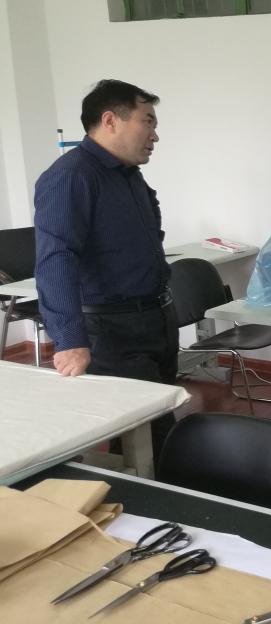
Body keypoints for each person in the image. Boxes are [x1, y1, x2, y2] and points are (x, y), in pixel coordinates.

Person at [35, 79, 178, 457]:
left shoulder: (128, 174)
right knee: (152, 436)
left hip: (154, 319)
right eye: (148, 121)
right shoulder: (72, 176)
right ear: (111, 120)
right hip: (113, 330)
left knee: (147, 430)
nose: (155, 135)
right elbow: (55, 259)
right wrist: (69, 340)